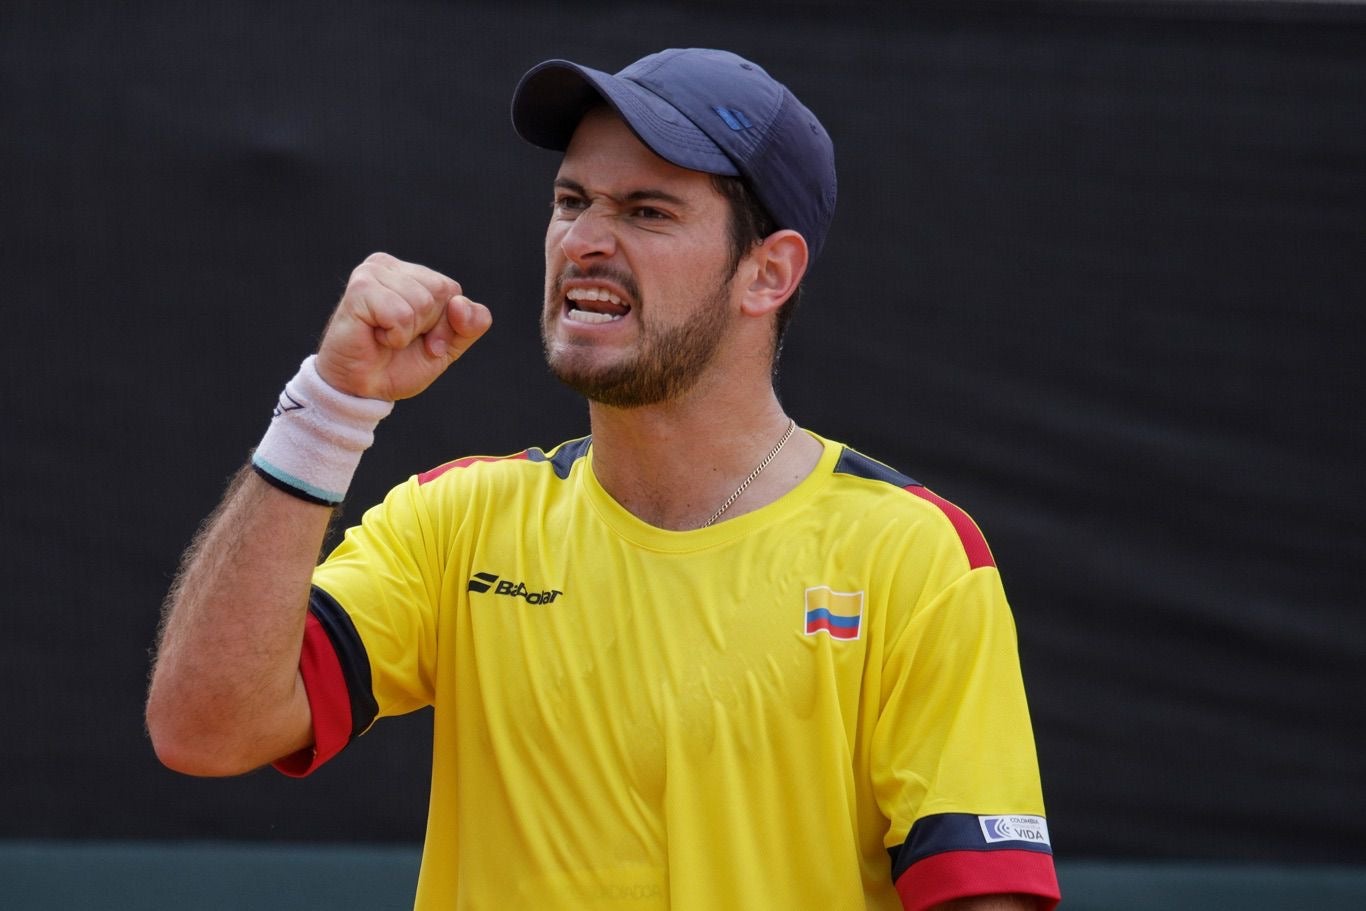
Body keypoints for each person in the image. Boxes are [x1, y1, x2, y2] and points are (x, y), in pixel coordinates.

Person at [146, 48, 1060, 911]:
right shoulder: (457, 521)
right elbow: (205, 728)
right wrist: (331, 408)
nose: (583, 239)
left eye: (647, 210)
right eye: (570, 200)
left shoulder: (910, 552)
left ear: (768, 272)